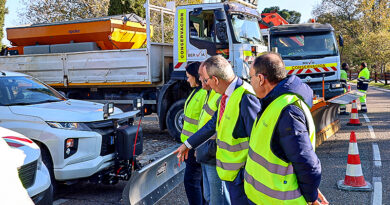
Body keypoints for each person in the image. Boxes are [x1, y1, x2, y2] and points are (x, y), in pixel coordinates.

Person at [174, 55, 261, 205]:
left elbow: (258, 139)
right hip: (229, 171)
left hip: (241, 173)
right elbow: (211, 125)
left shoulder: (245, 97)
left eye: (206, 80)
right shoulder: (226, 96)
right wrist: (188, 144)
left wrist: (246, 173)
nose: (205, 84)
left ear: (215, 79)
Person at [244, 53, 326, 204]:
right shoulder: (274, 102)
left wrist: (311, 196)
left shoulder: (287, 110)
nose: (250, 82)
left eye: (251, 77)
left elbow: (307, 163)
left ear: (261, 79)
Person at [195, 62, 226, 205]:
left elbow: (216, 126)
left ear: (214, 78)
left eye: (203, 77)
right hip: (205, 150)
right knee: (209, 196)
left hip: (213, 152)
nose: (200, 80)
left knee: (216, 199)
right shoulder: (210, 93)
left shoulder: (219, 95)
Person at [182, 62, 208, 205]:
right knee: (199, 182)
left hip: (195, 146)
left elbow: (204, 123)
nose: (187, 80)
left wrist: (196, 145)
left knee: (191, 182)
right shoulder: (197, 92)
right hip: (191, 144)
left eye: (189, 77)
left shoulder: (203, 93)